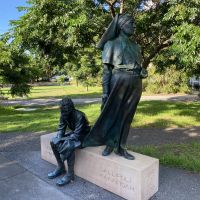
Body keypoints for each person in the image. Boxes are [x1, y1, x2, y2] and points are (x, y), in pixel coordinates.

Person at [82, 13, 148, 160]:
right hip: (118, 81)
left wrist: (142, 71)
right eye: (131, 23)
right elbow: (106, 72)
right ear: (122, 25)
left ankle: (121, 147)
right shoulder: (110, 44)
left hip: (136, 82)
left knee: (127, 116)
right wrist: (105, 92)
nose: (134, 26)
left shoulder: (136, 46)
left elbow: (138, 66)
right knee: (112, 114)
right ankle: (109, 144)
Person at [48, 97, 90, 186]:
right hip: (74, 134)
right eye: (63, 111)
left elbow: (77, 135)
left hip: (84, 137)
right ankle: (60, 167)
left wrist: (62, 140)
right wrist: (58, 138)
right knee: (53, 141)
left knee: (69, 145)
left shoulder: (80, 116)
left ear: (71, 109)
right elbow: (61, 129)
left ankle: (70, 174)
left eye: (67, 112)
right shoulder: (63, 114)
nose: (65, 114)